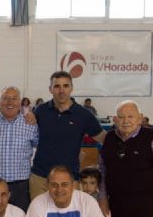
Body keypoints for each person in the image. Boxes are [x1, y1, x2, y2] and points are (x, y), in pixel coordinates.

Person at [30, 71, 105, 199]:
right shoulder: (40, 110)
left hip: (68, 178)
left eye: (65, 86)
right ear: (50, 89)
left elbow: (104, 139)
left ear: (71, 88)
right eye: (57, 86)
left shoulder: (84, 115)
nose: (61, 90)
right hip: (40, 177)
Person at [0, 86, 38, 212]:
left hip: (21, 186)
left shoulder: (30, 123)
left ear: (20, 102)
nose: (10, 102)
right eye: (5, 98)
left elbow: (38, 145)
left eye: (14, 99)